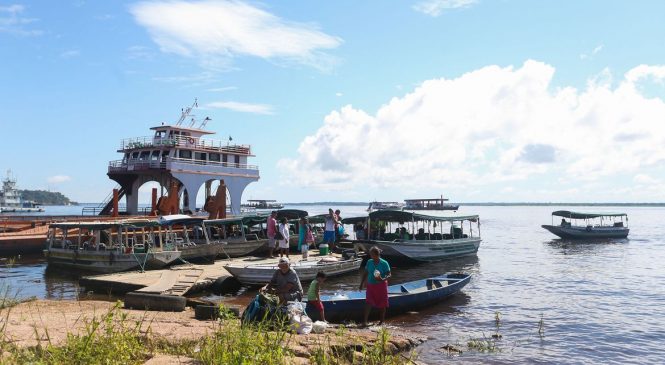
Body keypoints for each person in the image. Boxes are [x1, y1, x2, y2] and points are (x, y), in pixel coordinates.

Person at [359, 246, 391, 327]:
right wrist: (361, 284)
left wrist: (383, 279)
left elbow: (389, 274)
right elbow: (366, 272)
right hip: (371, 285)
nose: (371, 256)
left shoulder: (384, 263)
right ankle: (365, 322)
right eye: (370, 254)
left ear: (377, 255)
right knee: (368, 302)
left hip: (381, 286)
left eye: (372, 254)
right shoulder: (369, 262)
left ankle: (381, 322)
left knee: (382, 304)